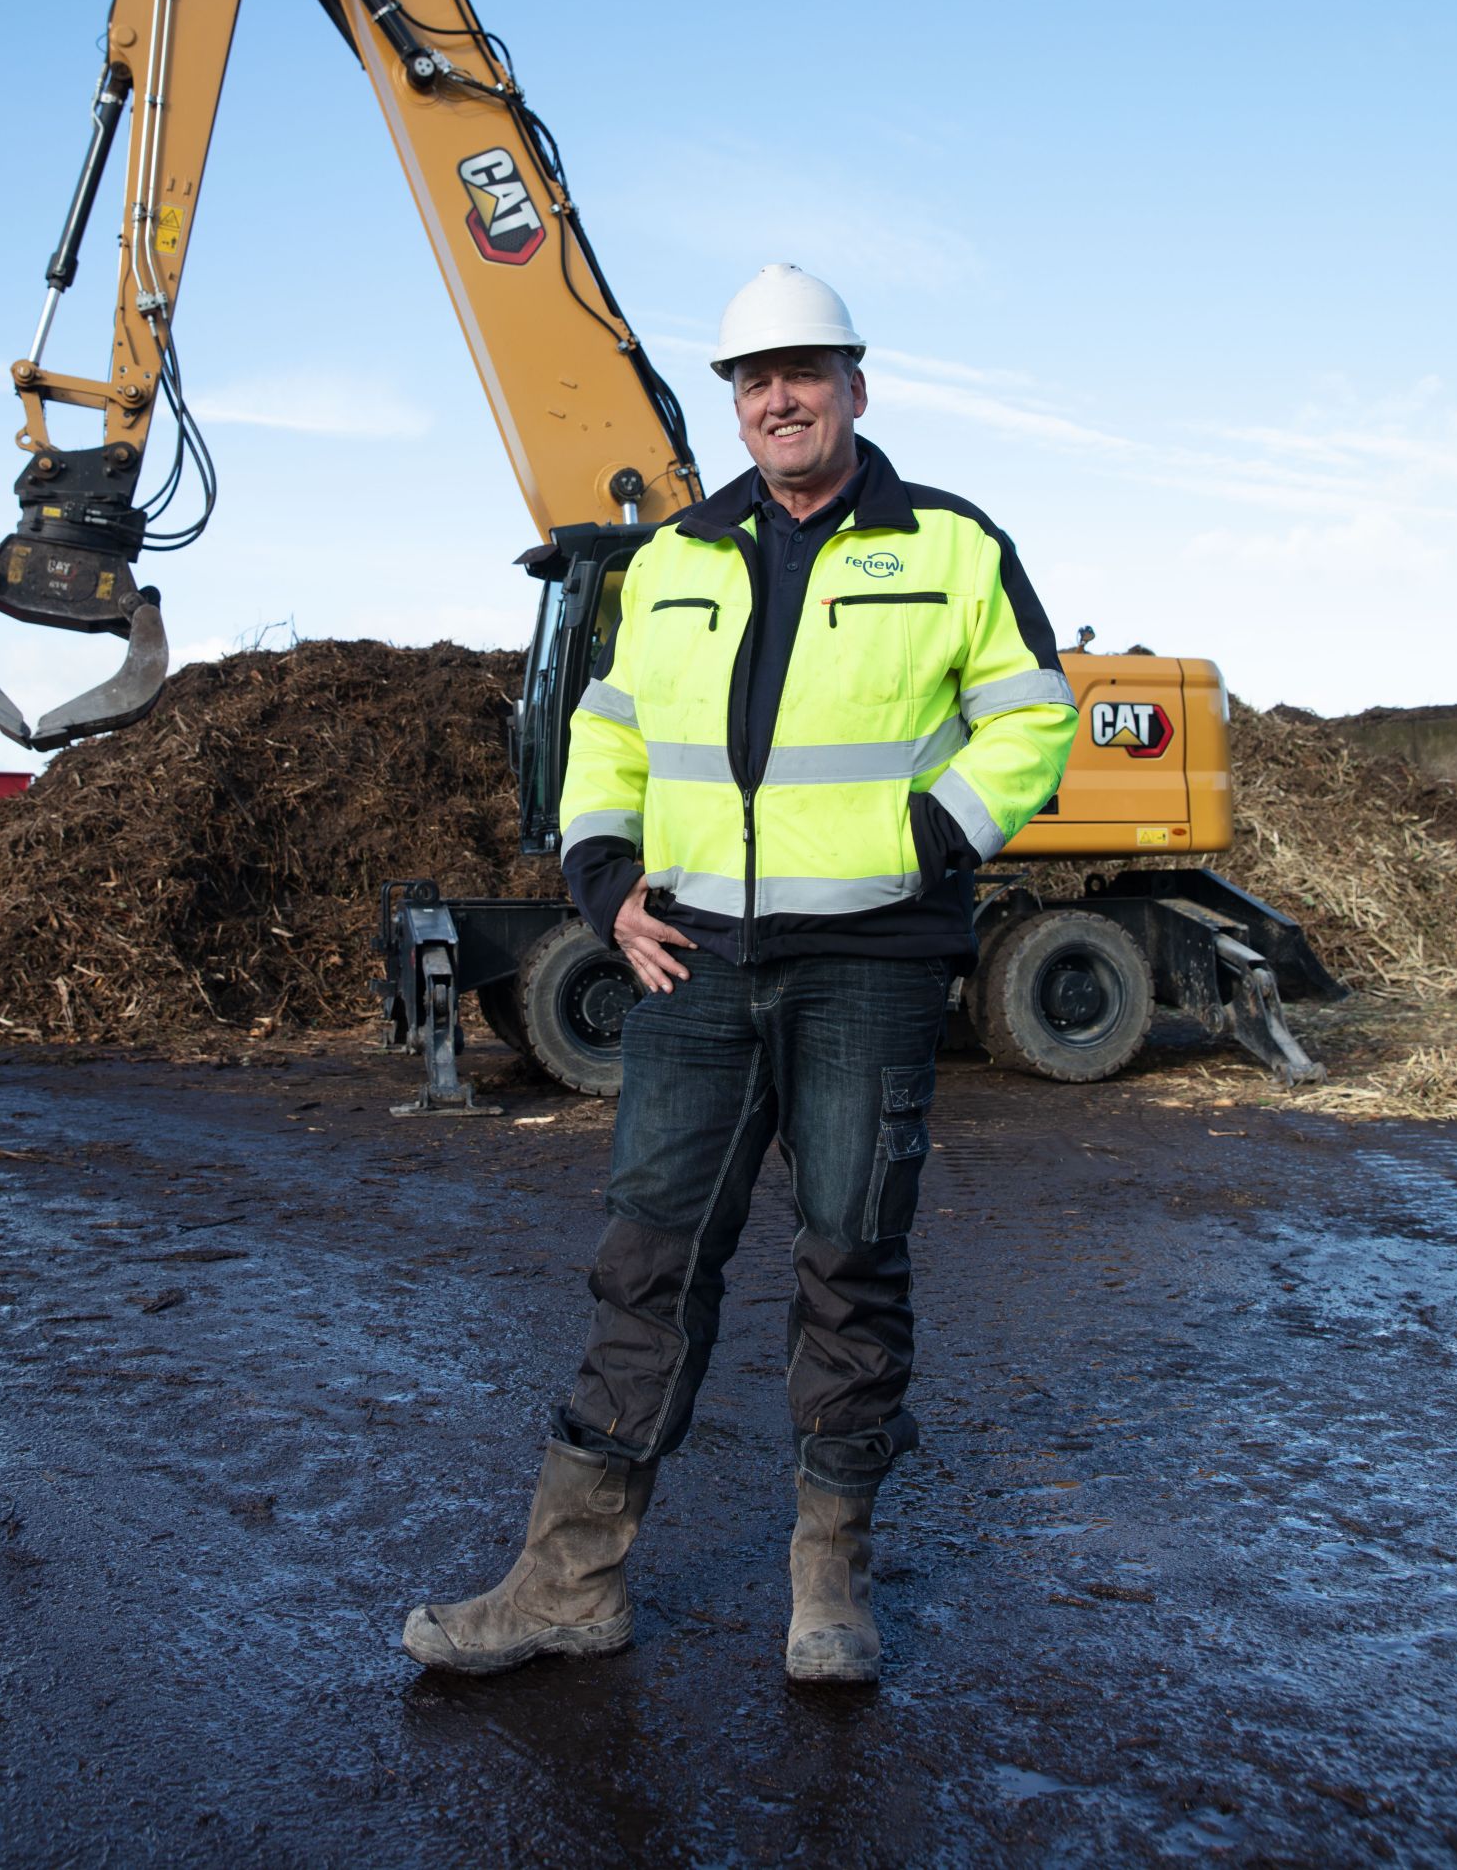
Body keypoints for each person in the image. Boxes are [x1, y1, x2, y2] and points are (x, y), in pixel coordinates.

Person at [403, 264, 1076, 1684]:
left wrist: (926, 841)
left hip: (868, 970)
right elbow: (608, 735)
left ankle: (830, 1584)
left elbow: (1029, 716)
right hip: (694, 967)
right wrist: (603, 882)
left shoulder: (952, 545)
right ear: (735, 403)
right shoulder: (673, 562)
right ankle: (570, 1583)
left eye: (804, 373)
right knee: (648, 1264)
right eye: (755, 379)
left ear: (854, 387)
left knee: (851, 1260)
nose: (779, 398)